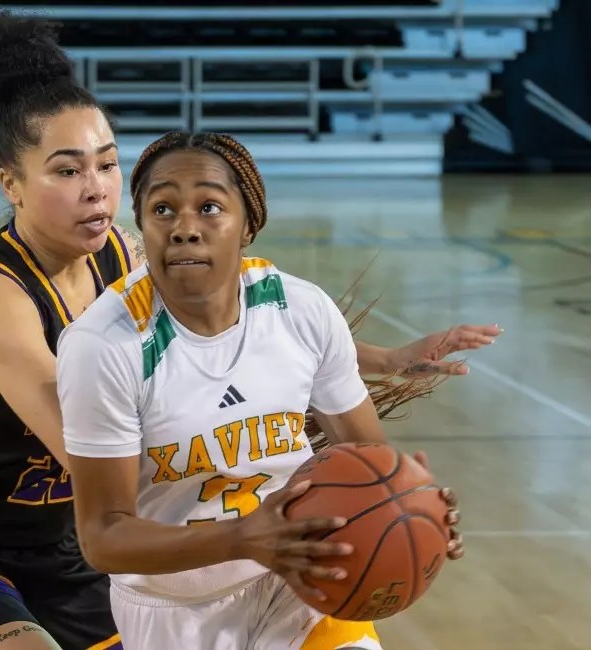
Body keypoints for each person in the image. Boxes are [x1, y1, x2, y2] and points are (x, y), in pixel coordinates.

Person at [0, 10, 497, 650]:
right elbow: (101, 448)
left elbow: (237, 328)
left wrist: (379, 360)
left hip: (68, 550)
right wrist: (269, 453)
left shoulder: (122, 250)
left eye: (107, 165)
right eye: (66, 170)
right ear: (12, 185)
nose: (95, 190)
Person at [55, 131, 467, 650]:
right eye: (162, 210)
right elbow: (104, 538)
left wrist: (411, 504)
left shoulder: (302, 311)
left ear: (248, 225)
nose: (184, 228)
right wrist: (241, 538)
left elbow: (367, 453)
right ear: (142, 226)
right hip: (175, 608)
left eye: (209, 207)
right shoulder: (103, 346)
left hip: (298, 581)